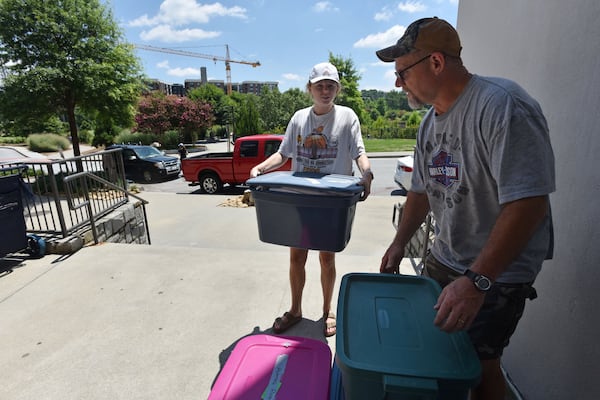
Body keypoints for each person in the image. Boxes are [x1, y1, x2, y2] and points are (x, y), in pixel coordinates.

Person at [376, 17, 555, 400]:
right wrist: (398, 243)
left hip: (498, 273)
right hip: (447, 257)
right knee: (437, 352)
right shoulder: (429, 126)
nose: (397, 83)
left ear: (436, 63)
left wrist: (477, 282)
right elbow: (420, 192)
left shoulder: (503, 105)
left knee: (475, 366)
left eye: (402, 72)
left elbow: (529, 203)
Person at [250, 62, 374, 337]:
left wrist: (367, 173)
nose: (325, 90)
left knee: (327, 258)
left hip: (330, 200)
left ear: (337, 89)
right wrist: (260, 168)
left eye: (330, 86)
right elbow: (284, 154)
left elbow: (359, 152)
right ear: (310, 89)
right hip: (301, 198)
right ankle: (295, 310)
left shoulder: (347, 117)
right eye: (320, 86)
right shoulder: (299, 119)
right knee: (296, 256)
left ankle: (328, 310)